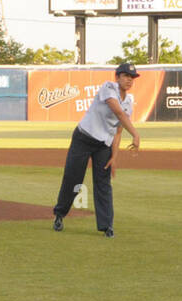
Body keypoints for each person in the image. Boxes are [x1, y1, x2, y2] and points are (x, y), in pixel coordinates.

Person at [51, 63, 142, 238]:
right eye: (126, 76)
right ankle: (60, 214)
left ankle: (107, 226)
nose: (130, 80)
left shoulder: (129, 102)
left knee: (103, 183)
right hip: (83, 138)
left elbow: (118, 130)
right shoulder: (108, 87)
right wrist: (136, 134)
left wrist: (114, 156)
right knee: (73, 179)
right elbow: (118, 113)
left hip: (103, 146)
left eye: (132, 77)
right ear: (117, 77)